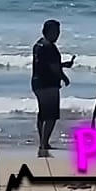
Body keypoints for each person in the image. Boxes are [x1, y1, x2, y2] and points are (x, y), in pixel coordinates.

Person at [31, 19, 75, 155]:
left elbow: (46, 64)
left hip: (37, 82)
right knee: (51, 115)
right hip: (48, 84)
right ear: (48, 31)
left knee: (43, 113)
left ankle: (42, 141)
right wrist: (64, 77)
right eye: (55, 32)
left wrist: (63, 65)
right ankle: (44, 143)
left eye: (58, 32)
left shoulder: (38, 44)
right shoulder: (50, 47)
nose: (57, 35)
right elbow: (53, 67)